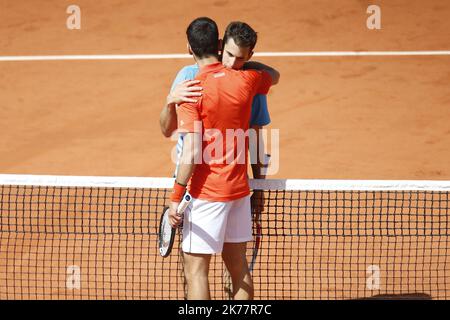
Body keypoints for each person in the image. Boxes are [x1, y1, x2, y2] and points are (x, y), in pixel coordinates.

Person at [167, 17, 277, 300]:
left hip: (206, 193)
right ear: (218, 47)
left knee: (195, 273)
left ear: (189, 49)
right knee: (238, 267)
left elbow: (190, 150)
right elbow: (273, 76)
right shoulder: (248, 79)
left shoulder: (192, 89)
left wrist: (175, 198)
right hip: (238, 191)